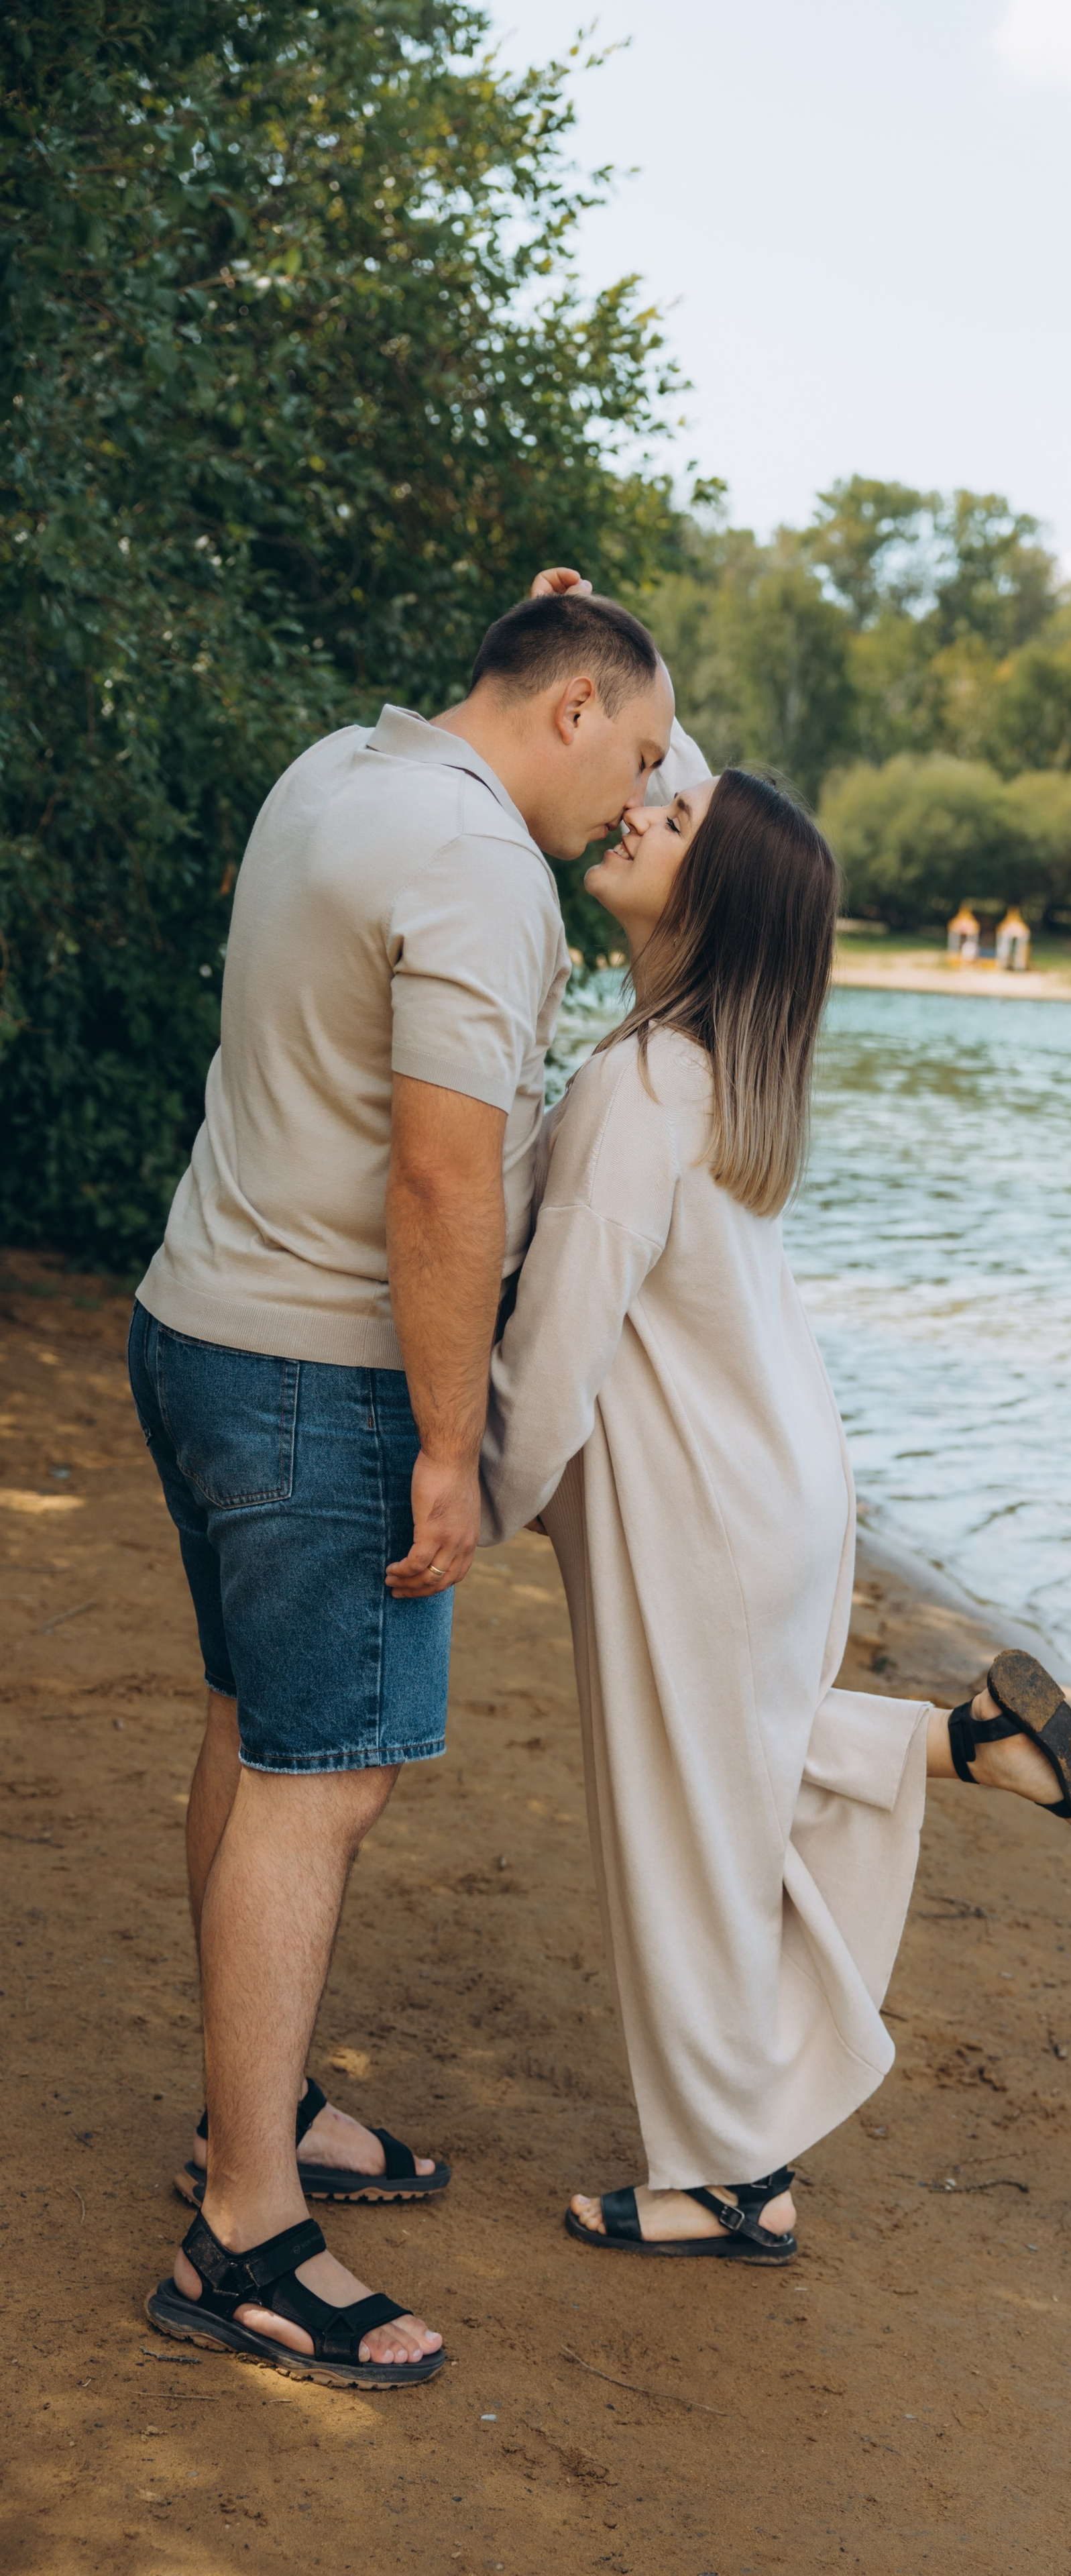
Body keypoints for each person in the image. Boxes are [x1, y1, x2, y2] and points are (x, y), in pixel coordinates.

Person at [480, 767, 1071, 2262]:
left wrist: (476, 1505)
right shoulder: (730, 1067)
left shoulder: (640, 1083)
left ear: (713, 894)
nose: (639, 813)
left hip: (705, 1525)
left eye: (669, 821)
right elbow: (747, 839)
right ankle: (968, 1741)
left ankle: (727, 2175)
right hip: (780, 1500)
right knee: (749, 1774)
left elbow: (557, 1342)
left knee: (688, 1843)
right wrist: (630, 670)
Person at [133, 586, 676, 2386]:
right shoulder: (480, 871)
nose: (636, 807)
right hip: (316, 1378)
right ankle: (245, 2241)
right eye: (646, 762)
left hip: (194, 1327)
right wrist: (451, 1447)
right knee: (324, 1785)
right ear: (581, 707)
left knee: (252, 1727)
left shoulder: (338, 772)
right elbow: (445, 1186)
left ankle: (251, 2120)